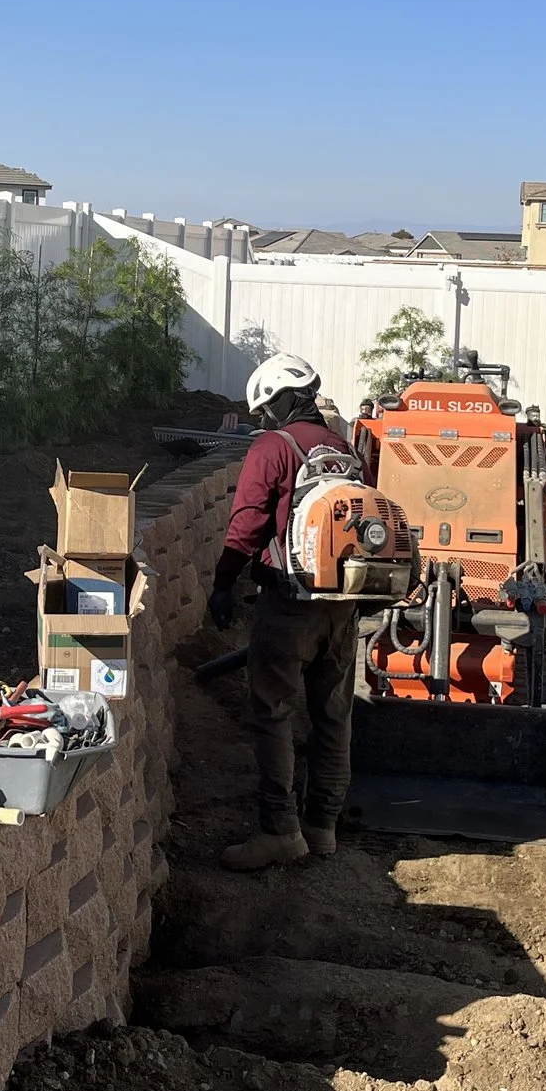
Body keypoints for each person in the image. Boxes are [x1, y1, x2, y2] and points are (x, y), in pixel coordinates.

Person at [208, 353, 356, 871]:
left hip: (288, 601)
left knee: (272, 713)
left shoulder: (273, 448)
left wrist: (223, 584)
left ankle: (280, 831)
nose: (263, 420)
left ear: (283, 401)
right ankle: (323, 828)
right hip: (342, 605)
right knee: (333, 717)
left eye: (266, 408)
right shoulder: (343, 447)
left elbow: (247, 524)